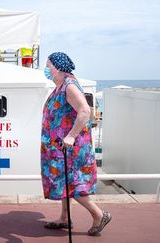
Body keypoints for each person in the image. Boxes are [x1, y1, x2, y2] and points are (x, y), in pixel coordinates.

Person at [40, 52, 111, 236]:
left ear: (59, 67)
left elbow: (84, 111)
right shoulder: (61, 86)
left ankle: (99, 215)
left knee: (73, 183)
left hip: (71, 148)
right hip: (60, 147)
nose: (46, 69)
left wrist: (71, 136)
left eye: (49, 65)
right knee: (65, 182)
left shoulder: (69, 86)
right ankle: (64, 217)